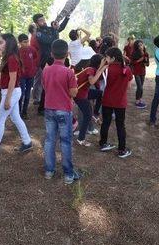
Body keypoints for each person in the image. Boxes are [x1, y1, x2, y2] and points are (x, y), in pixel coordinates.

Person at [42, 39, 80, 184]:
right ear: (67, 54)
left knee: (50, 140)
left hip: (49, 109)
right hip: (64, 110)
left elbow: (45, 88)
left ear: (51, 54)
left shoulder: (46, 70)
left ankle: (49, 170)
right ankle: (68, 174)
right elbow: (74, 93)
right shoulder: (69, 72)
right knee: (65, 142)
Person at [98, 48, 134, 158]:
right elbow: (129, 85)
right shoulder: (126, 69)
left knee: (106, 122)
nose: (105, 59)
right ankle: (122, 150)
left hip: (107, 100)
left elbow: (97, 77)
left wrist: (101, 65)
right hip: (120, 101)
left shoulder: (106, 69)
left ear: (113, 58)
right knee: (120, 125)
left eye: (107, 57)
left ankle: (103, 143)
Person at [34, 13, 70, 112]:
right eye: (41, 20)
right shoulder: (39, 33)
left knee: (57, 83)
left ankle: (54, 105)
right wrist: (54, 29)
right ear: (36, 23)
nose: (44, 21)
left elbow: (60, 28)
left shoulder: (49, 29)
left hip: (56, 59)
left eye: (43, 19)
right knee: (47, 84)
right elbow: (51, 40)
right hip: (46, 60)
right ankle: (42, 107)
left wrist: (67, 17)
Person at [74, 58, 105, 146]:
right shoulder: (90, 69)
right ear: (99, 64)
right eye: (102, 63)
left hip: (85, 92)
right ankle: (81, 139)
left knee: (100, 94)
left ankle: (95, 113)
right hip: (79, 95)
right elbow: (92, 81)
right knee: (87, 116)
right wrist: (101, 69)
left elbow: (97, 85)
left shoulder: (93, 70)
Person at [18, 33, 39, 118]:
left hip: (30, 75)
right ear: (19, 43)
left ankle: (24, 112)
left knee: (27, 95)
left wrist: (34, 68)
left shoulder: (32, 49)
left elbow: (35, 57)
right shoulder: (17, 51)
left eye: (27, 41)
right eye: (24, 42)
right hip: (21, 76)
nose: (26, 43)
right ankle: (18, 112)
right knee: (21, 94)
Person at [131, 40, 149, 109]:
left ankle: (140, 99)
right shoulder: (134, 53)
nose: (141, 46)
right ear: (136, 46)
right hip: (136, 72)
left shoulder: (146, 53)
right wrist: (140, 60)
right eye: (139, 45)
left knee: (141, 86)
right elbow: (132, 62)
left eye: (141, 45)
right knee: (139, 87)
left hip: (143, 72)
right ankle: (137, 101)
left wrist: (145, 61)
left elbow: (147, 64)